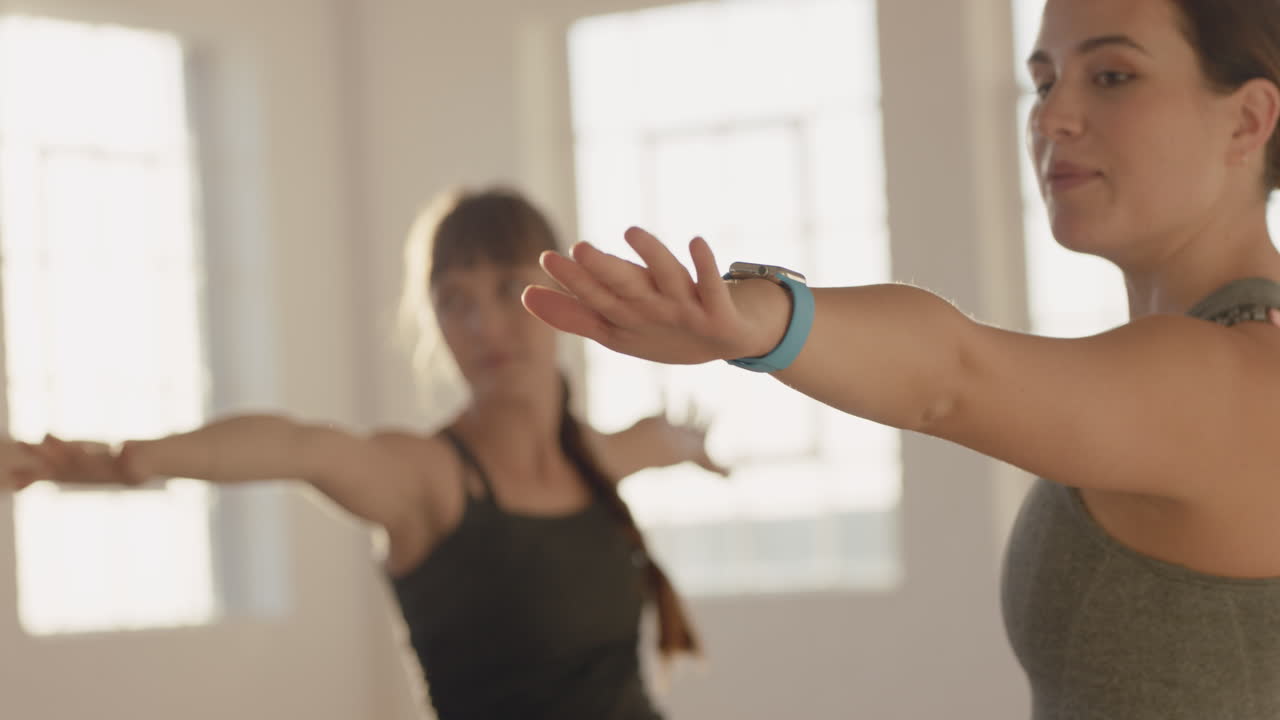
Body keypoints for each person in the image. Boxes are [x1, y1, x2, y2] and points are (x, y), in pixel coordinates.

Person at [520, 0, 1280, 717]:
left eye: (1112, 76)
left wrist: (755, 318)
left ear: (1247, 120)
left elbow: (950, 374)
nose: (1052, 116)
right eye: (1042, 80)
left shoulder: (1237, 377)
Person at [12, 188, 725, 719]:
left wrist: (693, 442)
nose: (484, 324)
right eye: (454, 301)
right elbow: (299, 447)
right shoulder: (429, 480)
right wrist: (122, 460)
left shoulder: (597, 457)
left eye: (508, 287)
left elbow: (664, 438)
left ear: (562, 292)